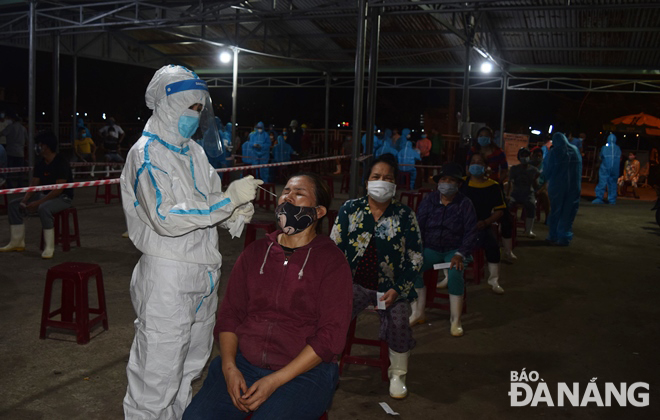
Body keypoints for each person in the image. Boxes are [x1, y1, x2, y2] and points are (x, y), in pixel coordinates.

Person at [119, 65, 262, 419]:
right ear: (167, 106)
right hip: (169, 275)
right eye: (190, 108)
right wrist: (226, 202)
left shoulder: (194, 153)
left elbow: (210, 199)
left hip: (204, 271)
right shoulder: (146, 154)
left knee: (187, 368)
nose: (196, 117)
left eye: (200, 109)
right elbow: (165, 217)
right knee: (157, 375)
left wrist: (234, 211)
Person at [184, 173, 352, 420]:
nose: (288, 197)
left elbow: (330, 337)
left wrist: (275, 381)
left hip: (304, 372)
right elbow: (231, 316)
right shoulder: (256, 253)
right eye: (285, 191)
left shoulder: (331, 261)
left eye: (299, 193)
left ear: (318, 212)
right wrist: (230, 368)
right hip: (244, 364)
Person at [331, 153, 423, 399]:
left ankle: (398, 374)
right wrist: (338, 286)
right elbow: (334, 249)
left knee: (400, 321)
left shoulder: (405, 215)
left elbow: (415, 256)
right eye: (376, 176)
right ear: (367, 181)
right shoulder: (350, 209)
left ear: (394, 184)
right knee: (331, 315)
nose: (381, 181)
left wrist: (399, 289)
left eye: (387, 178)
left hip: (392, 288)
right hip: (355, 284)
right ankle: (327, 365)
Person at [411, 162, 477, 336]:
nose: (446, 183)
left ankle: (455, 320)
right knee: (412, 265)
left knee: (455, 271)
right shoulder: (430, 200)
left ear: (459, 184)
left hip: (454, 250)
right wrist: (416, 249)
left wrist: (460, 253)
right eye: (444, 179)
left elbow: (471, 232)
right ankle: (418, 312)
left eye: (451, 180)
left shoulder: (465, 204)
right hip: (431, 248)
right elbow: (419, 225)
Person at [0, 130, 73, 259]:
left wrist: (38, 203)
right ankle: (17, 241)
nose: (37, 147)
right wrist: (25, 200)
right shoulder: (40, 163)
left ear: (47, 146)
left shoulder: (61, 162)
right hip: (43, 195)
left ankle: (49, 247)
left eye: (40, 144)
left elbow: (58, 189)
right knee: (13, 205)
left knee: (43, 208)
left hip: (63, 198)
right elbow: (34, 185)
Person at [466, 126, 516, 260]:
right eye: (480, 135)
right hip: (475, 186)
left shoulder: (498, 152)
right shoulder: (473, 151)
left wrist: (497, 182)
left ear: (491, 138)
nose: (483, 138)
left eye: (485, 135)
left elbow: (505, 169)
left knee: (505, 217)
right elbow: (467, 168)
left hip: (493, 186)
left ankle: (507, 250)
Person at [461, 153, 507, 294]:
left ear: (485, 166)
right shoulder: (461, 183)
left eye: (479, 162)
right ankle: (448, 276)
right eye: (473, 162)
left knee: (493, 245)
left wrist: (486, 222)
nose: (476, 164)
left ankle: (494, 280)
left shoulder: (493, 186)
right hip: (460, 225)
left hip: (482, 225)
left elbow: (499, 211)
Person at [544, 132, 582, 246]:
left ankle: (553, 235)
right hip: (574, 187)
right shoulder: (575, 150)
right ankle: (564, 237)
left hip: (558, 187)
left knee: (556, 211)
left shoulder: (554, 153)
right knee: (568, 212)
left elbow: (547, 170)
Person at [507, 147, 540, 238]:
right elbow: (510, 183)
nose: (524, 158)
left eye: (526, 156)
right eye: (522, 155)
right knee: (507, 205)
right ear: (519, 157)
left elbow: (536, 186)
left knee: (531, 204)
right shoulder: (514, 169)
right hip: (516, 193)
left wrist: (535, 181)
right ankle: (506, 227)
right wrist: (508, 195)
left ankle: (528, 230)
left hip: (528, 193)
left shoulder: (534, 170)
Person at [592, 133, 621, 205]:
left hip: (605, 167)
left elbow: (600, 156)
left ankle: (599, 197)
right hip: (615, 168)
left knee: (602, 181)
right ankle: (612, 199)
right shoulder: (618, 148)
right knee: (613, 183)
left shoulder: (605, 147)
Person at [0, 113, 28, 187]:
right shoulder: (23, 128)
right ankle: (20, 184)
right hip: (20, 152)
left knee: (9, 170)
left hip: (10, 151)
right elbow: (27, 139)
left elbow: (2, 133)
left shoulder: (10, 127)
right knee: (20, 170)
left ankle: (10, 185)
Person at [530, 147, 550, 223]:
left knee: (545, 195)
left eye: (539, 156)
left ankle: (548, 217)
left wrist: (539, 190)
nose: (538, 158)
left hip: (540, 188)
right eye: (536, 156)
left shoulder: (545, 167)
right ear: (532, 156)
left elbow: (546, 182)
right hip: (529, 188)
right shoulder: (529, 165)